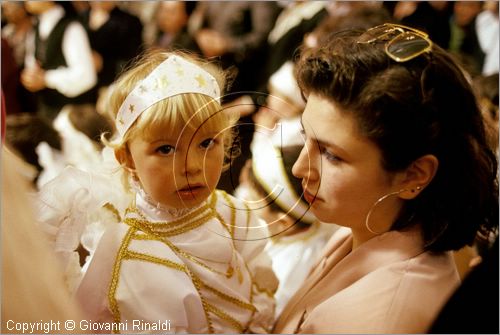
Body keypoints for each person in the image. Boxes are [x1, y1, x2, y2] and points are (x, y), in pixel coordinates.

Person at [273, 23, 498, 333]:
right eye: (305, 137)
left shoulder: (378, 319)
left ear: (413, 175)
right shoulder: (365, 226)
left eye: (331, 155)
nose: (299, 168)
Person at [72, 50, 277, 333]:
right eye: (166, 149)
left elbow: (261, 280)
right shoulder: (135, 257)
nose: (192, 166)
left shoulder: (229, 211)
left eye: (206, 143)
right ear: (128, 159)